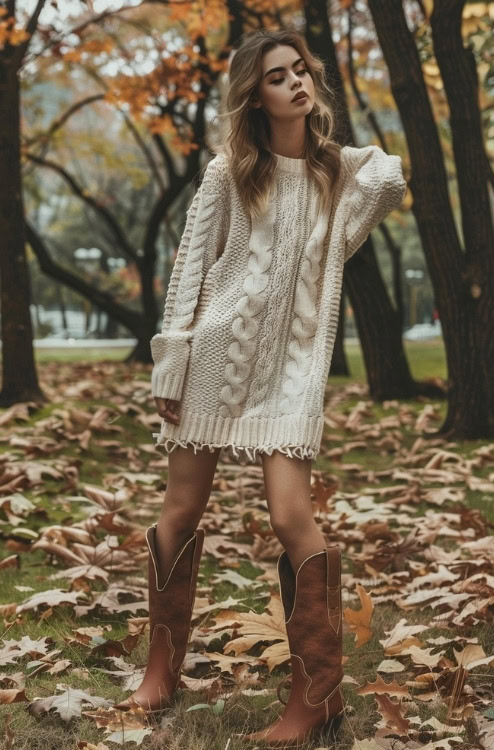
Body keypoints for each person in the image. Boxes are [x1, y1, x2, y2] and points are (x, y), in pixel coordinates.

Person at [114, 27, 407, 747]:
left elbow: (391, 177)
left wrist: (335, 149)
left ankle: (318, 695)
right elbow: (190, 271)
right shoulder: (228, 172)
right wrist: (172, 361)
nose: (297, 83)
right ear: (255, 95)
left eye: (302, 70)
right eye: (278, 76)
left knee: (288, 515)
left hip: (292, 372)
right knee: (179, 509)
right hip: (215, 362)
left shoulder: (339, 176)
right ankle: (160, 672)